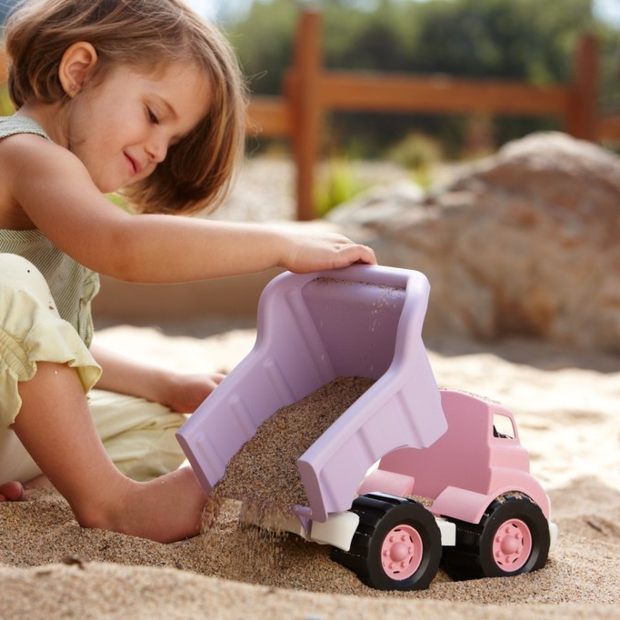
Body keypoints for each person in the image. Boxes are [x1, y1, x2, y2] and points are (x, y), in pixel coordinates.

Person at [0, 0, 376, 543]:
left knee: (174, 431)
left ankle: (58, 477)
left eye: (172, 141)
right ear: (79, 71)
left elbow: (47, 347)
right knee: (7, 281)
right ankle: (113, 504)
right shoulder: (23, 152)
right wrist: (280, 242)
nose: (158, 150)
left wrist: (166, 384)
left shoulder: (65, 190)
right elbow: (122, 245)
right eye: (154, 115)